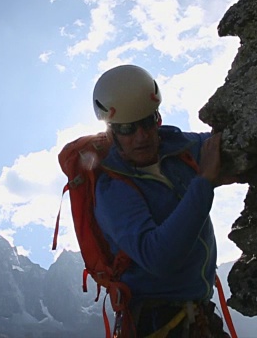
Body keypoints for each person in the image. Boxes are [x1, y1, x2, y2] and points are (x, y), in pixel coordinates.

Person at [92, 64, 234, 338]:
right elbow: (158, 258)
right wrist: (204, 183)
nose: (141, 136)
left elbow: (228, 146)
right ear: (111, 133)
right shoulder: (112, 191)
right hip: (157, 323)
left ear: (157, 118)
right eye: (127, 129)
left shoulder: (178, 147)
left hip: (199, 314)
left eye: (146, 123)